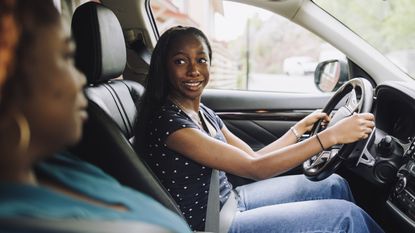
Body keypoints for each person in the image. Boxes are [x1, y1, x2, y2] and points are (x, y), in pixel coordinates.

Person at [134, 25, 384, 232]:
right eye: (180, 61)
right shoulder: (169, 123)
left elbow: (254, 156)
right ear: (164, 68)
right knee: (346, 217)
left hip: (230, 199)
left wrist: (297, 130)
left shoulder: (202, 112)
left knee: (334, 184)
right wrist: (329, 137)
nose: (194, 70)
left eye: (201, 59)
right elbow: (256, 169)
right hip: (215, 224)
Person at [0, 1, 192, 232]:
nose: (80, 79)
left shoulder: (55, 164)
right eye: (66, 57)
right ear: (8, 80)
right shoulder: (24, 222)